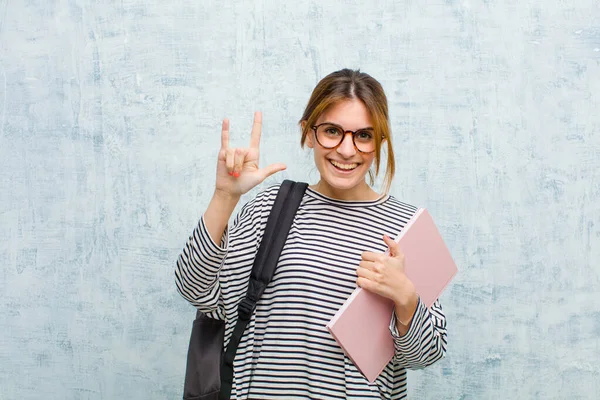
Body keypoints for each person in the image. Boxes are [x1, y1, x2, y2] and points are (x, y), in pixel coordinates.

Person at [175, 69, 447, 399]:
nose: (347, 150)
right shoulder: (269, 208)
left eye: (363, 135)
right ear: (308, 133)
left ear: (380, 142)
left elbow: (424, 356)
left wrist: (406, 298)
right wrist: (225, 196)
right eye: (332, 131)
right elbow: (198, 292)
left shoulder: (406, 228)